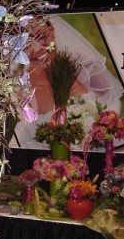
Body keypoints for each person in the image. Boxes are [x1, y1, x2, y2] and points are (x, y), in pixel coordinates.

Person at [14, 15, 124, 149]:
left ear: (52, 30)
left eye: (41, 36)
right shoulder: (17, 89)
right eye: (27, 44)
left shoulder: (86, 71)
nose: (37, 49)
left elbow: (111, 122)